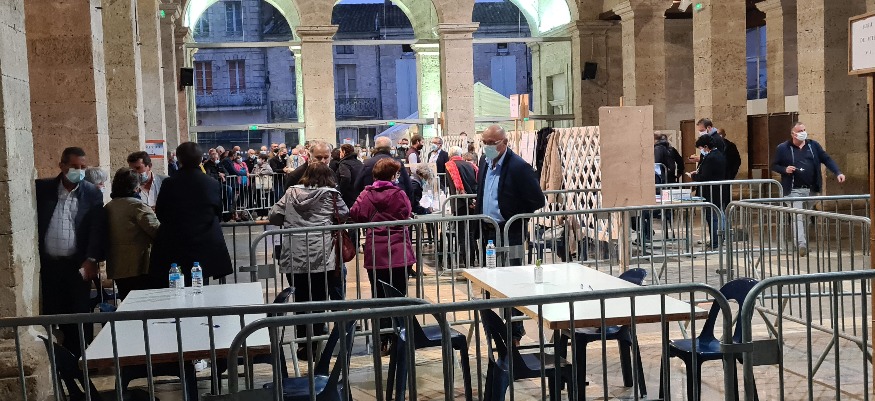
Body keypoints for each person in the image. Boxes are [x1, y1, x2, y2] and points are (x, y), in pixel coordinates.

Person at [269, 163, 348, 358]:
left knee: (301, 300)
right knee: (319, 300)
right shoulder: (332, 195)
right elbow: (344, 214)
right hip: (321, 255)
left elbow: (274, 215)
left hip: (294, 254)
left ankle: (303, 344)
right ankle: (317, 344)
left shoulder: (291, 193)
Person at [476, 125, 545, 344]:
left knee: (513, 281)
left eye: (491, 143)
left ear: (504, 142)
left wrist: (513, 215)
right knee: (490, 281)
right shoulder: (484, 162)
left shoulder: (518, 167)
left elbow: (537, 200)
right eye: (484, 142)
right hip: (488, 231)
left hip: (509, 231)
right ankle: (494, 329)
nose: (487, 147)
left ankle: (515, 331)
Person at [36, 147, 106, 356]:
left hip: (77, 265)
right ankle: (59, 360)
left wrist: (92, 259)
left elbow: (97, 229)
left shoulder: (91, 193)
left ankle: (82, 359)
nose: (79, 171)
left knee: (79, 313)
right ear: (62, 165)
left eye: (83, 167)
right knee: (52, 312)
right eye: (74, 166)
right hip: (49, 265)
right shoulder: (43, 189)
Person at [349, 158, 416, 354]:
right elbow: (407, 212)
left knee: (378, 297)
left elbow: (355, 213)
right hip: (399, 251)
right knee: (399, 296)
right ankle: (399, 338)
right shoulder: (399, 193)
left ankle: (381, 340)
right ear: (393, 175)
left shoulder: (366, 194)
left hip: (376, 252)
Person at [149, 142, 234, 287]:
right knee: (201, 282)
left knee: (177, 284)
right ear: (201, 159)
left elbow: (161, 212)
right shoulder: (211, 183)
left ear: (179, 159)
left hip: (176, 242)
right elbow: (217, 212)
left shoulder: (170, 183)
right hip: (204, 242)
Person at [771, 122, 845, 257]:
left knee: (806, 217)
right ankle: (801, 244)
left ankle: (800, 242)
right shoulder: (783, 148)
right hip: (793, 190)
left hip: (811, 189)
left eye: (804, 130)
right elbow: (774, 165)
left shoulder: (813, 146)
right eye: (800, 131)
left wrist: (838, 172)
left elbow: (827, 159)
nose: (803, 133)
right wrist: (785, 169)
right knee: (798, 216)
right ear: (793, 134)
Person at [104, 168, 161, 300]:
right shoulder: (137, 206)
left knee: (126, 301)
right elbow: (156, 231)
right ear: (135, 187)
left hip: (118, 265)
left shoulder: (109, 206)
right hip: (139, 265)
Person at [687, 135, 728, 250]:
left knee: (712, 217)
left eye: (701, 148)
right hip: (719, 190)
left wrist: (693, 176)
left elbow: (705, 177)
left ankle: (715, 242)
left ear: (706, 146)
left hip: (711, 192)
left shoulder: (710, 157)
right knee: (719, 215)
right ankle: (719, 240)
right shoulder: (720, 155)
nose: (701, 150)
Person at [446, 146, 479, 266]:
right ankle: (472, 261)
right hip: (472, 202)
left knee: (462, 235)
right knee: (470, 234)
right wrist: (472, 201)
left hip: (459, 204)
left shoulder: (450, 166)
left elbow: (457, 187)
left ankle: (467, 262)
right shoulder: (470, 166)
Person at [355, 136, 414, 202]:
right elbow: (408, 187)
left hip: (372, 203)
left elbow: (357, 186)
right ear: (390, 148)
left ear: (375, 148)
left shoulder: (367, 164)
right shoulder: (397, 164)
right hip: (395, 203)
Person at [336, 144, 364, 210]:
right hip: (358, 194)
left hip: (348, 196)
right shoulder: (359, 163)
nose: (340, 154)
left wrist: (341, 192)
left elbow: (346, 177)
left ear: (344, 152)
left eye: (340, 152)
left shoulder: (344, 164)